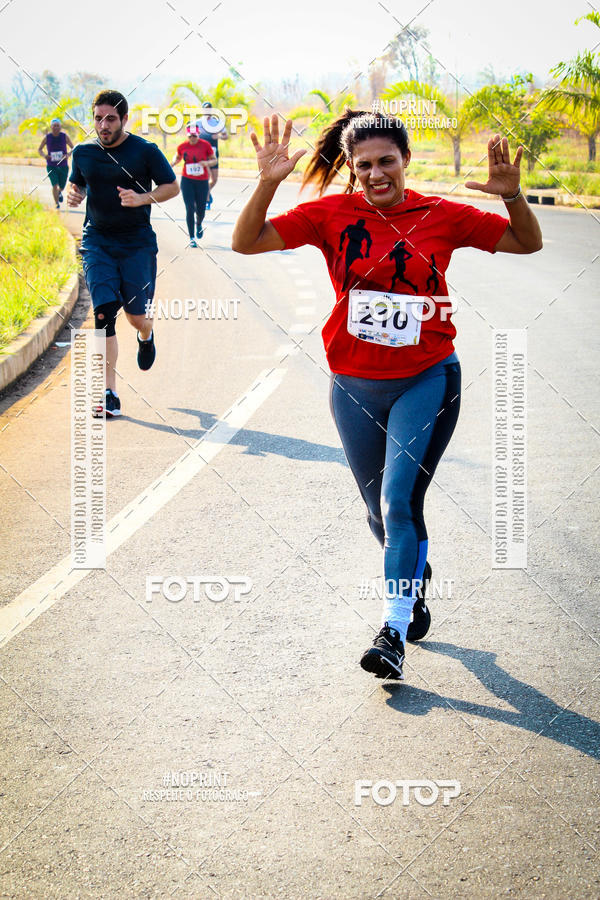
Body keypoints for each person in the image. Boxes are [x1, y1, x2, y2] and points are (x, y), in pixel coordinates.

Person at [232, 112, 542, 681]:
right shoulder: (331, 214)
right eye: (365, 164)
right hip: (352, 385)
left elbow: (527, 241)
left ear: (405, 161)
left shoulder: (441, 215)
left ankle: (391, 630)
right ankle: (413, 586)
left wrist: (514, 196)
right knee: (380, 513)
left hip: (426, 379)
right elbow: (245, 242)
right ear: (352, 168)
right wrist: (268, 183)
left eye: (387, 161)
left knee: (401, 504)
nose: (377, 174)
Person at [67, 89, 179, 418]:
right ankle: (109, 392)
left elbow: (171, 186)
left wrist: (141, 198)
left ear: (124, 119)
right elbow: (80, 183)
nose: (103, 125)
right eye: (98, 118)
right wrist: (76, 195)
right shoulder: (83, 153)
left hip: (137, 244)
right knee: (103, 313)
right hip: (97, 241)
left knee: (136, 317)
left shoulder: (144, 151)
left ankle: (147, 334)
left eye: (111, 119)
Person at [172, 123, 217, 246]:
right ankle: (192, 237)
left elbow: (214, 160)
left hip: (202, 181)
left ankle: (199, 224)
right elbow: (177, 158)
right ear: (187, 136)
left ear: (198, 135)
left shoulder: (205, 145)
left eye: (195, 136)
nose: (193, 138)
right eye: (190, 136)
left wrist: (206, 164)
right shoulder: (182, 146)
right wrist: (171, 165)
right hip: (187, 181)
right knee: (190, 208)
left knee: (201, 209)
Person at [196, 100, 229, 207]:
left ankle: (206, 194)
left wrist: (218, 136)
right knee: (207, 176)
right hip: (203, 153)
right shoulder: (198, 123)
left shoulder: (217, 122)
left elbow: (226, 136)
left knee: (214, 179)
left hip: (214, 153)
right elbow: (190, 136)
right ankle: (205, 199)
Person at [38, 118, 74, 208]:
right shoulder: (47, 137)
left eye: (58, 125)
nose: (56, 127)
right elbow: (39, 149)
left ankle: (59, 192)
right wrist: (45, 156)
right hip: (51, 166)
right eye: (54, 126)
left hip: (63, 166)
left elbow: (73, 147)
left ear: (60, 127)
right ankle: (56, 203)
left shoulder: (64, 136)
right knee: (55, 185)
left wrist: (68, 154)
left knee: (61, 186)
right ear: (51, 127)